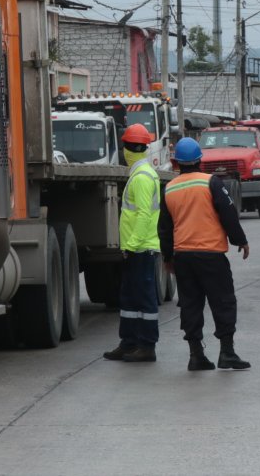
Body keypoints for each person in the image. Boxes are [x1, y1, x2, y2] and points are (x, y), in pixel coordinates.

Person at [158, 138, 251, 371]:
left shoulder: (169, 188)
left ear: (176, 162)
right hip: (211, 255)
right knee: (223, 302)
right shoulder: (211, 182)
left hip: (183, 257)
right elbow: (228, 213)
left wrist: (168, 258)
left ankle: (196, 355)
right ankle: (227, 353)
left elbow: (165, 228)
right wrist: (240, 240)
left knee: (190, 304)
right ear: (200, 160)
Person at [103, 123, 162, 363]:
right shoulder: (140, 174)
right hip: (136, 247)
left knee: (143, 298)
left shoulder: (142, 177)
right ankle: (129, 342)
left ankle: (147, 346)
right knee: (129, 298)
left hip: (141, 248)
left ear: (128, 148)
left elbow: (144, 215)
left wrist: (132, 243)